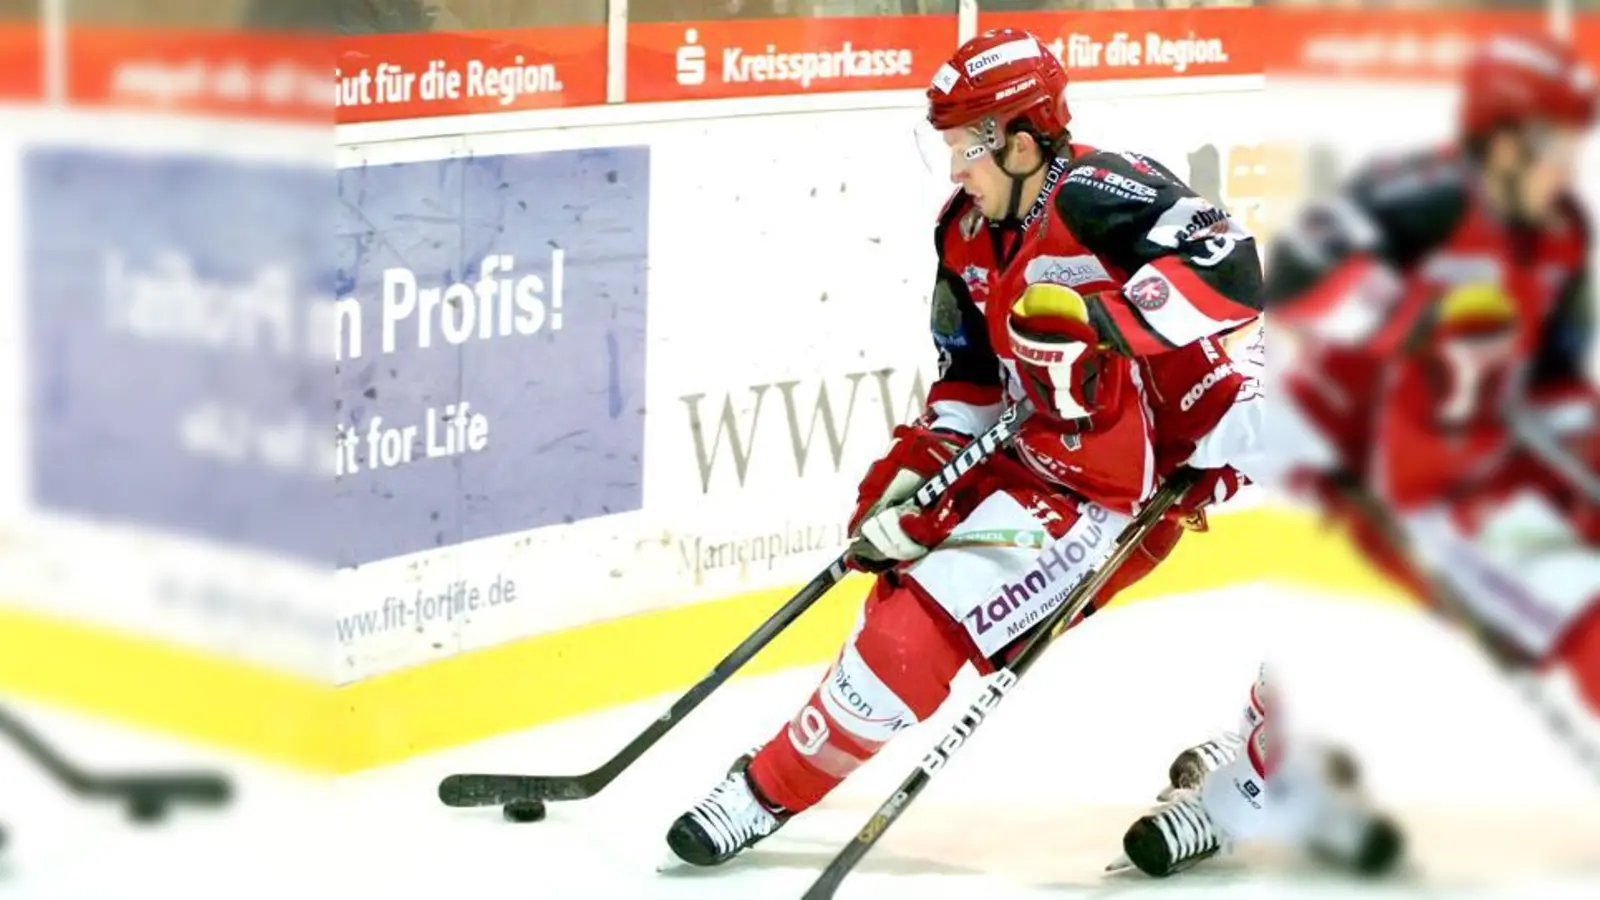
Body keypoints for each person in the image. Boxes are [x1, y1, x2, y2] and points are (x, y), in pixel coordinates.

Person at [664, 28, 1266, 868]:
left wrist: (1109, 329)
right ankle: (775, 782)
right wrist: (914, 482)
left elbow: (1234, 270)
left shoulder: (1099, 191)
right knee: (902, 606)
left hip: (1118, 483)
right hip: (1036, 458)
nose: (955, 170)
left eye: (967, 149)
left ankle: (763, 791)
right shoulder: (963, 234)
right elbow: (971, 385)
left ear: (1022, 143)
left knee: (911, 639)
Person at [1128, 29, 1599, 879]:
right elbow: (1295, 321)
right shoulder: (1404, 207)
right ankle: (1244, 794)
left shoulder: (1554, 236)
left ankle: (1266, 747)